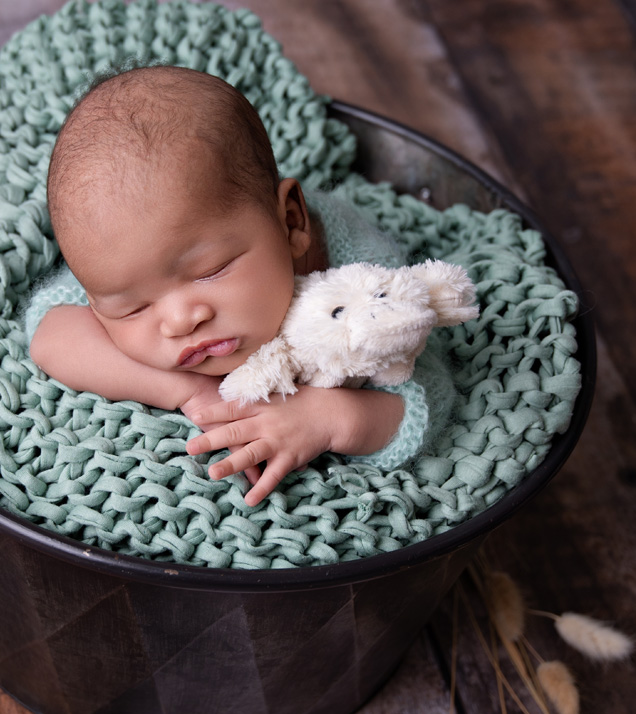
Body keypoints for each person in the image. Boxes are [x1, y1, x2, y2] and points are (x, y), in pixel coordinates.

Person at [26, 65, 451, 506]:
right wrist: (188, 390)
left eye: (211, 270)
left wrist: (330, 416)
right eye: (132, 309)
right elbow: (50, 334)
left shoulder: (361, 277)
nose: (179, 321)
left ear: (290, 222)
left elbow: (425, 398)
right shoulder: (128, 258)